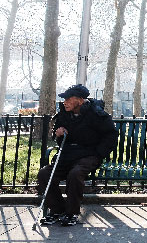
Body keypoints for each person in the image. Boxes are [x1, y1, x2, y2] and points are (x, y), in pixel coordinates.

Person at [37, 84, 118, 226]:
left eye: (68, 99)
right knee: (44, 174)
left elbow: (111, 135)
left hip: (88, 155)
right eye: (64, 99)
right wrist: (59, 133)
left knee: (75, 174)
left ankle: (71, 213)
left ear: (80, 100)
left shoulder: (96, 114)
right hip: (67, 155)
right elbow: (58, 136)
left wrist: (98, 153)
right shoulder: (63, 113)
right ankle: (57, 210)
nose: (65, 102)